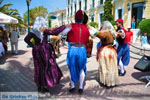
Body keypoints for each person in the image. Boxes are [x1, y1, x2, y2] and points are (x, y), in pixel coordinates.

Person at [44, 10, 94, 94]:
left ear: (75, 18)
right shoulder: (86, 27)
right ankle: (81, 87)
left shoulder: (71, 26)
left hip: (73, 50)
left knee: (71, 68)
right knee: (82, 68)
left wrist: (67, 27)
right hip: (82, 50)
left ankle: (72, 85)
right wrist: (90, 27)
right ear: (82, 18)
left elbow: (62, 32)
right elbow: (94, 34)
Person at [24, 16, 65, 92]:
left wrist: (34, 46)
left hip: (37, 51)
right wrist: (64, 26)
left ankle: (39, 85)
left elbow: (26, 39)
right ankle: (45, 86)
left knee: (38, 67)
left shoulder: (33, 31)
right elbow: (55, 32)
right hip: (45, 50)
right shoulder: (44, 31)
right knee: (46, 67)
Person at [96, 21, 119, 87]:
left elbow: (96, 34)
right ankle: (112, 81)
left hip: (105, 51)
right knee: (111, 67)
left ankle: (107, 82)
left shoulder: (105, 33)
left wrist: (90, 29)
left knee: (105, 67)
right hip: (112, 51)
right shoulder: (112, 33)